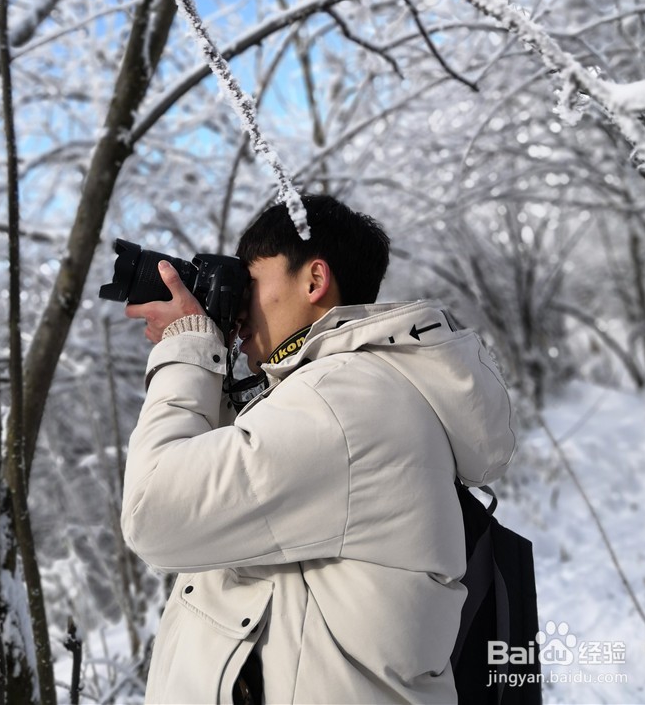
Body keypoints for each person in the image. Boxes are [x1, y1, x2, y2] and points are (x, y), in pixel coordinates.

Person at [121, 194, 515, 704]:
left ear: (314, 280)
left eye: (252, 282)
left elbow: (156, 510)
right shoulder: (355, 393)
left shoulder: (345, 399)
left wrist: (186, 348)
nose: (241, 308)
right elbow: (227, 503)